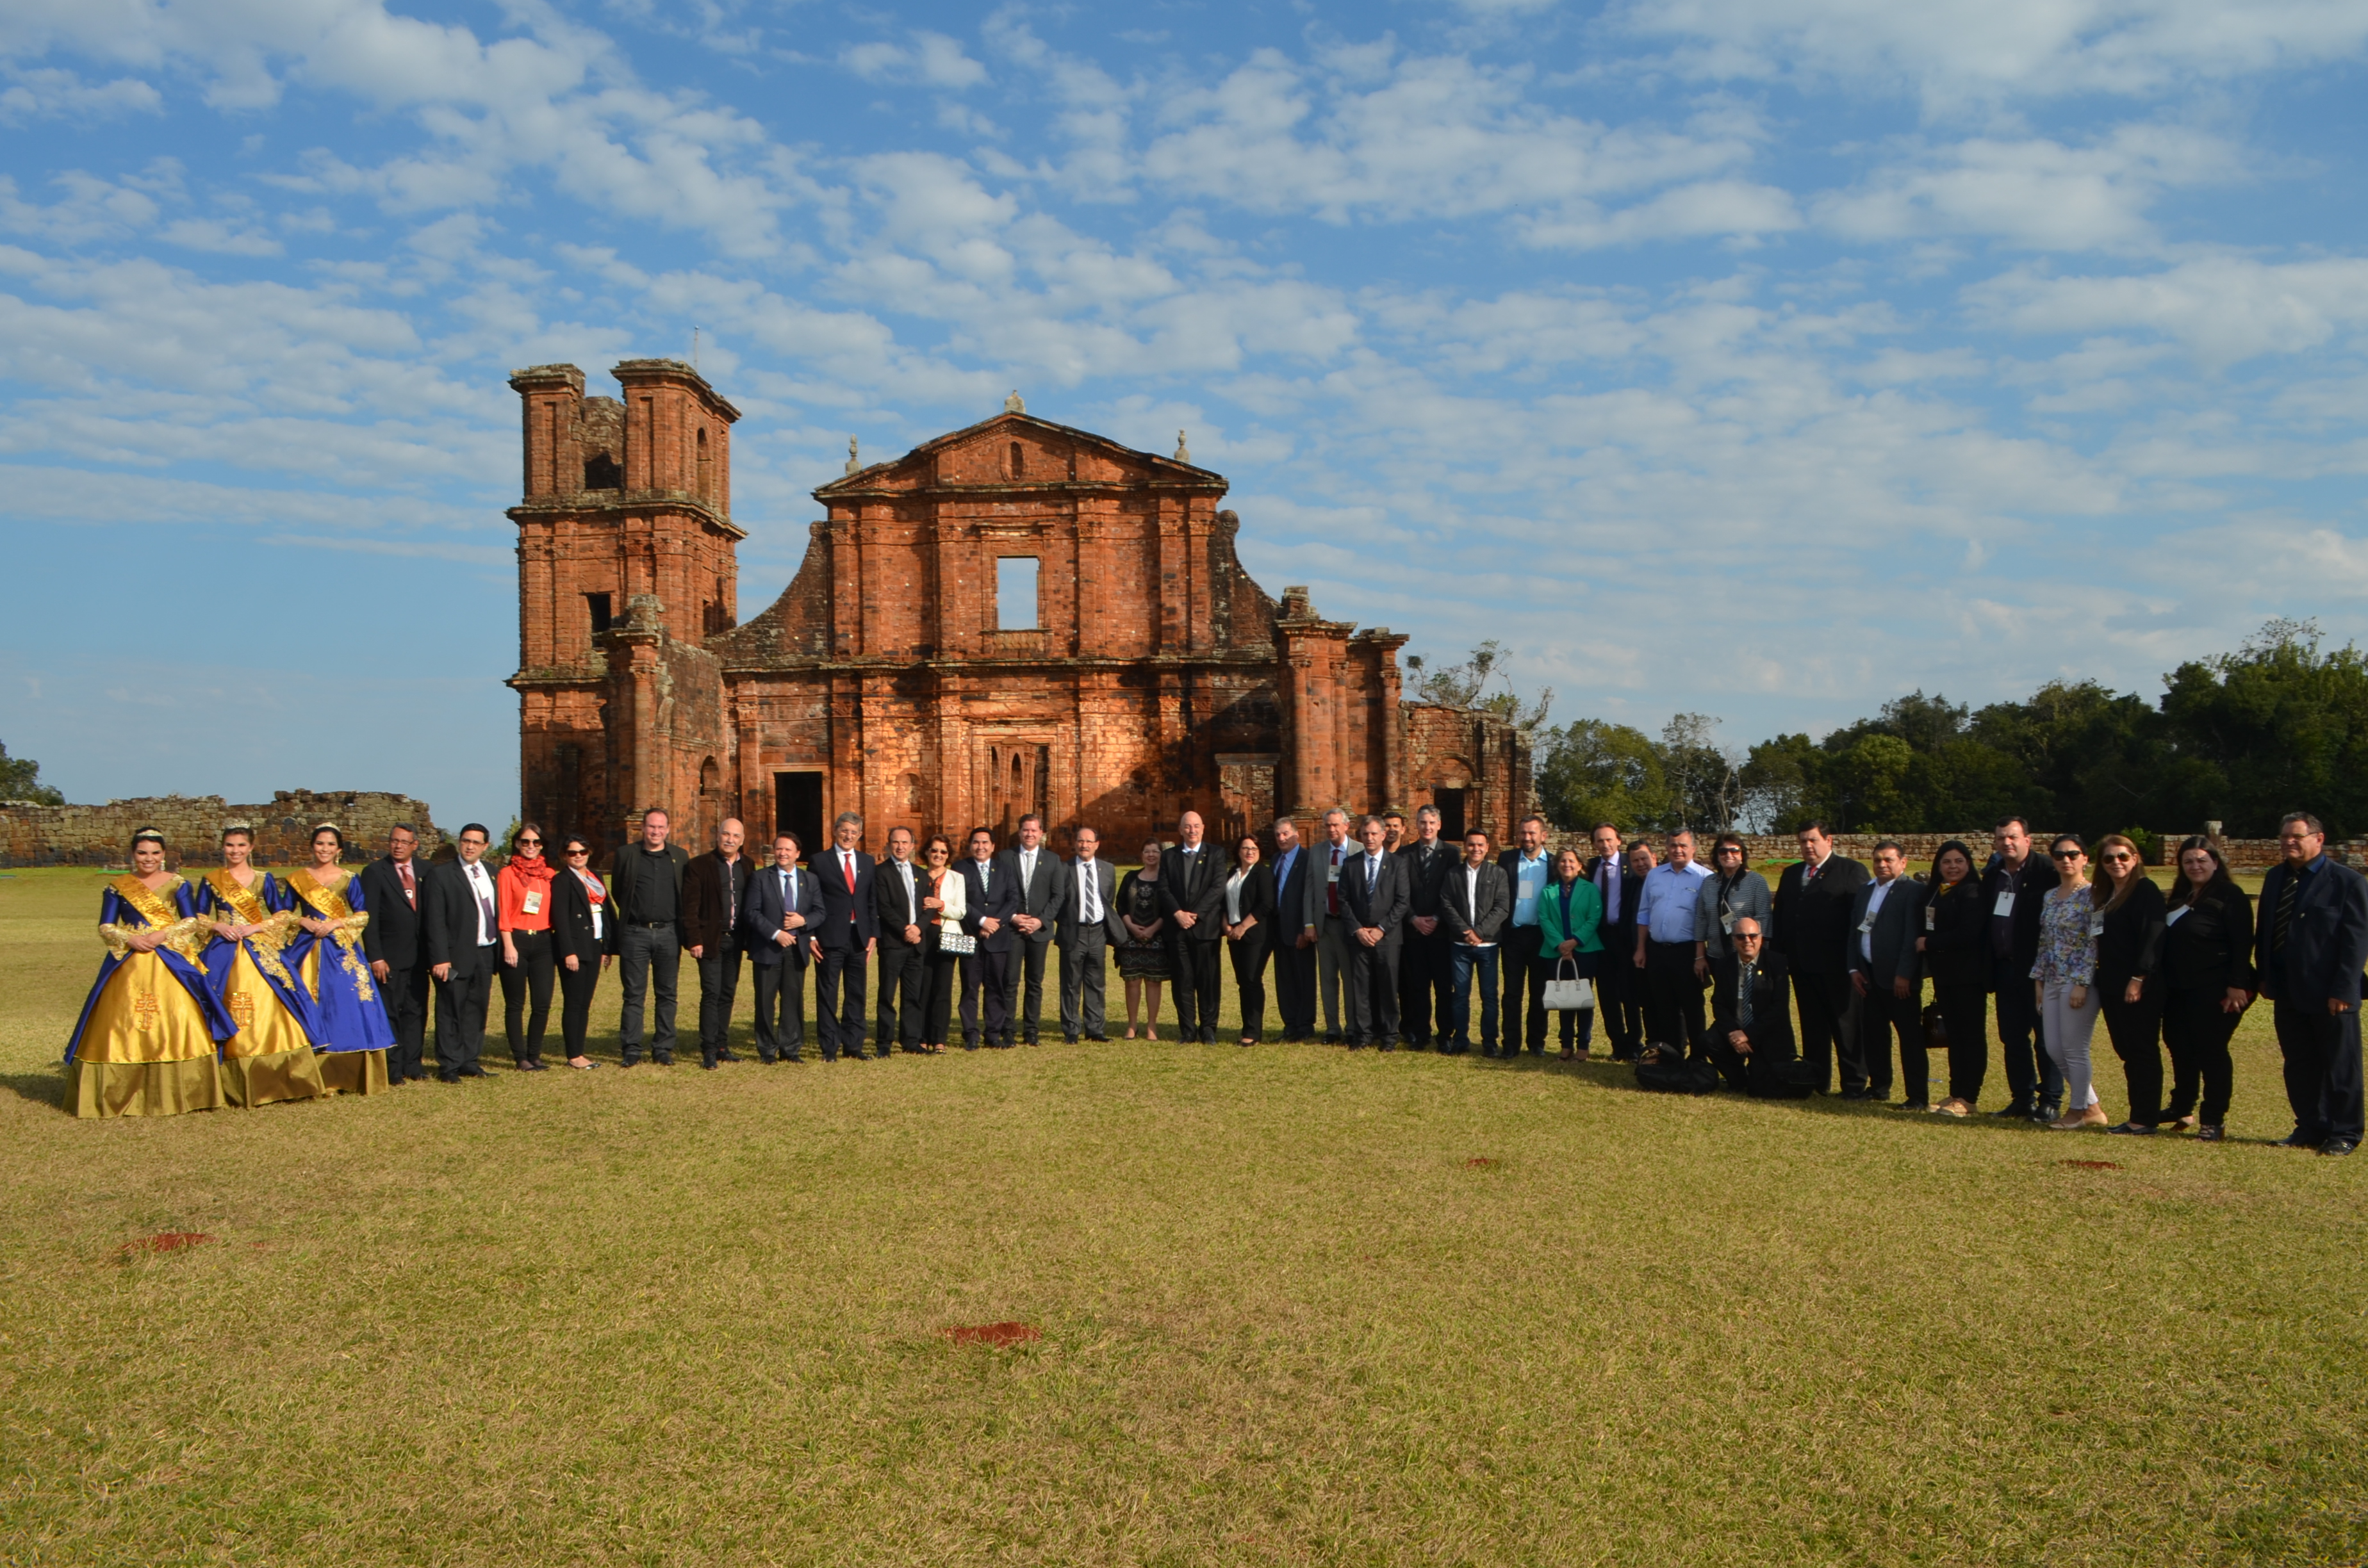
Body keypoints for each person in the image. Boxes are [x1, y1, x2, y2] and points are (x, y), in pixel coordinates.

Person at [65, 827, 234, 1117]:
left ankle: (185, 1090)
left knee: (178, 1015)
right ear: (133, 854)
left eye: (155, 853)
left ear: (164, 854)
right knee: (120, 1020)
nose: (149, 858)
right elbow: (105, 926)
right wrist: (129, 938)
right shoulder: (117, 887)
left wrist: (162, 935)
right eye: (142, 853)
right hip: (129, 960)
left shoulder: (179, 884)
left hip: (169, 958)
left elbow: (191, 921)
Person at [2251, 812, 2368, 1156]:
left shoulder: (2347, 882)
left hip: (2331, 992)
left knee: (2340, 1065)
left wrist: (2344, 989)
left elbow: (2356, 942)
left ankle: (2345, 1132)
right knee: (2299, 1063)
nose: (2289, 842)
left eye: (2297, 836)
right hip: (2287, 988)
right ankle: (2311, 1126)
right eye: (2284, 836)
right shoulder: (2276, 877)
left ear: (2319, 839)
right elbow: (2266, 930)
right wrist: (2264, 976)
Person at [195, 823, 325, 1107]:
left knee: (277, 999)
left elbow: (281, 915)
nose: (235, 851)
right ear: (223, 847)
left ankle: (279, 1074)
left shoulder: (263, 879)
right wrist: (218, 926)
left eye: (241, 846)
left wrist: (254, 928)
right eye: (230, 845)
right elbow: (197, 917)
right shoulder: (211, 879)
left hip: (257, 946)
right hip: (222, 948)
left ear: (251, 848)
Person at [283, 824, 395, 1095]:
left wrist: (336, 923)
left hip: (341, 950)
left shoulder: (348, 878)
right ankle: (306, 1073)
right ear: (312, 847)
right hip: (305, 947)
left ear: (339, 850)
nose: (325, 849)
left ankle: (347, 1072)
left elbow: (362, 914)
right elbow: (282, 914)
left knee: (344, 1004)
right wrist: (305, 922)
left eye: (331, 845)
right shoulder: (297, 878)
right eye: (320, 844)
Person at [2160, 835, 2253, 1141]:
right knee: (2179, 1045)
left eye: (2201, 860)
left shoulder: (2230, 895)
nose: (2195, 866)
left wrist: (2237, 985)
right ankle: (2181, 1107)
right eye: (2188, 861)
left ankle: (2213, 1118)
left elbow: (2243, 942)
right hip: (2179, 988)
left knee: (2210, 1050)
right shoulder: (2181, 895)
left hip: (2217, 988)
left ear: (2215, 862)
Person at [1771, 822, 1870, 1095]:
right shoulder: (1791, 874)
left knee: (1846, 1026)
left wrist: (1855, 963)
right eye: (1803, 841)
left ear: (1829, 840)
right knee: (1813, 1026)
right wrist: (1779, 959)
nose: (1808, 846)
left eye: (1813, 840)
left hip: (1839, 967)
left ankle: (1854, 1084)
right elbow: (1780, 919)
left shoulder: (1850, 870)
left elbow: (1859, 921)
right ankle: (1816, 1081)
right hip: (1802, 965)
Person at [1981, 816, 2060, 1122]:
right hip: (2005, 969)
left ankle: (2050, 1101)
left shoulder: (2047, 872)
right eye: (2001, 838)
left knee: (2045, 1038)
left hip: (2039, 971)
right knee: (2013, 1038)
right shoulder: (1994, 875)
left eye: (2013, 837)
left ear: (2028, 839)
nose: (2007, 843)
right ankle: (2022, 1099)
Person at [2091, 834, 2169, 1134]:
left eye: (2123, 856)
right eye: (2109, 858)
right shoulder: (2106, 895)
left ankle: (2144, 1119)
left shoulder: (2144, 890)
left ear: (2135, 859)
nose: (2117, 863)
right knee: (2126, 1050)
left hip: (2138, 985)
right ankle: (2139, 1113)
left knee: (2141, 1050)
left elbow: (2153, 938)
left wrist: (2138, 979)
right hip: (2111, 984)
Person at [2034, 835, 2109, 1130]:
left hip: (2078, 980)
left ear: (2085, 859)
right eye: (2059, 855)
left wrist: (2082, 982)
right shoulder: (2050, 896)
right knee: (2054, 1048)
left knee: (2075, 1049)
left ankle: (2078, 1110)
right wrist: (2038, 979)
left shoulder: (2095, 895)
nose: (2066, 860)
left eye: (2073, 854)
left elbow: (2095, 942)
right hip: (2052, 978)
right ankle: (2092, 1107)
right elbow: (2045, 940)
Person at [1846, 840, 1928, 1108]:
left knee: (1910, 1039)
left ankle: (1917, 1096)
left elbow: (1911, 935)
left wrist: (1905, 974)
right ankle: (1879, 1087)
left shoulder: (1913, 891)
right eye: (1877, 860)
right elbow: (1855, 930)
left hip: (1899, 980)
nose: (1882, 865)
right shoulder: (1866, 889)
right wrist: (1854, 968)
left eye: (1888, 860)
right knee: (1874, 1036)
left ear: (1903, 862)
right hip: (1869, 976)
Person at [608, 807, 689, 1067]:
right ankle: (632, 1049)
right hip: (635, 933)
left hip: (669, 933)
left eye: (661, 827)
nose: (656, 831)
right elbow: (619, 891)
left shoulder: (680, 856)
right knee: (634, 994)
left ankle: (663, 1048)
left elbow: (683, 893)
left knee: (667, 994)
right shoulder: (626, 854)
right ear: (643, 828)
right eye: (651, 826)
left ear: (668, 829)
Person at [425, 822, 502, 1081]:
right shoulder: (442, 874)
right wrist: (440, 958)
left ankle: (470, 1060)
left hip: (486, 951)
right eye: (466, 841)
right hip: (454, 954)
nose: (470, 846)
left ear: (485, 846)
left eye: (476, 842)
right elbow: (434, 920)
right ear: (460, 842)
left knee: (477, 1008)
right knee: (450, 1009)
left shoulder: (492, 872)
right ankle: (449, 1065)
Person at [1697, 916, 1805, 1098]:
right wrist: (1734, 1033)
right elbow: (1719, 1003)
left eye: (1753, 936)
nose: (1747, 941)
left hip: (1766, 1033)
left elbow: (1779, 1007)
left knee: (1759, 1090)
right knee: (1708, 1040)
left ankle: (1754, 1076)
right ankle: (1738, 1080)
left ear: (1761, 938)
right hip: (1736, 1029)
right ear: (1734, 940)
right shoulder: (1724, 964)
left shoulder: (1777, 963)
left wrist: (1748, 1035)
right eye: (1741, 937)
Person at [1919, 840, 1990, 1116]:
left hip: (1968, 976)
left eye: (1959, 861)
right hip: (1945, 975)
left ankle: (1969, 1097)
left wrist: (1929, 943)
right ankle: (1956, 1092)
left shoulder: (1973, 892)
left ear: (1968, 864)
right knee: (1955, 1036)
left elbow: (1968, 934)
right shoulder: (1937, 892)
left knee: (1971, 1035)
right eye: (1947, 862)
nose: (1953, 867)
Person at [359, 822, 431, 1083]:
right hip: (389, 958)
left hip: (420, 957)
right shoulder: (374, 872)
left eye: (404, 842)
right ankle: (393, 1068)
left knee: (416, 1011)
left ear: (415, 845)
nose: (398, 846)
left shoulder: (427, 870)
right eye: (394, 841)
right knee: (390, 1012)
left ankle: (413, 1064)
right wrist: (376, 957)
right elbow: (369, 920)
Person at [1632, 828, 1711, 1054]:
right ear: (1666, 848)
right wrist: (1641, 948)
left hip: (1687, 952)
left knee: (1692, 1008)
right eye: (1673, 845)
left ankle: (1698, 1060)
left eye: (1683, 845)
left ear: (1693, 848)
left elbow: (1706, 919)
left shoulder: (1705, 878)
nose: (1678, 850)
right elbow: (1644, 914)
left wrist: (1700, 956)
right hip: (1657, 951)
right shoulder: (1655, 875)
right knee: (1664, 1008)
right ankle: (1671, 1058)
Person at [682, 817, 752, 1070]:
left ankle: (722, 1046)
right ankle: (709, 1049)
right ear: (718, 835)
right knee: (711, 993)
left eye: (735, 836)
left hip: (736, 940)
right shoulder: (699, 865)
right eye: (726, 834)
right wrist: (694, 939)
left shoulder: (748, 865)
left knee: (727, 993)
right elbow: (690, 906)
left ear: (742, 840)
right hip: (711, 940)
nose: (730, 840)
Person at [744, 831, 819, 1063]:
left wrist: (803, 921)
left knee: (793, 1000)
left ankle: (791, 1048)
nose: (783, 853)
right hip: (768, 948)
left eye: (788, 849)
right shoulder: (760, 878)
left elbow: (820, 912)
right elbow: (751, 912)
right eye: (779, 848)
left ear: (797, 854)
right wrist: (776, 934)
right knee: (765, 1001)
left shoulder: (810, 880)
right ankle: (767, 1050)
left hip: (797, 949)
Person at [1441, 829, 1513, 1056]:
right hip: (1460, 945)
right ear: (1465, 846)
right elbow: (1446, 904)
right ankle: (1461, 1040)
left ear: (1487, 847)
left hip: (1488, 945)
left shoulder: (1498, 873)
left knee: (1489, 996)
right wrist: (1465, 931)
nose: (1476, 849)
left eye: (1480, 845)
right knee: (1460, 995)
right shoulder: (1453, 874)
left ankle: (1489, 1042)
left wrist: (1479, 932)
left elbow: (1502, 907)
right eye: (1472, 844)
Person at [1159, 810, 1228, 1046]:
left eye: (1196, 826)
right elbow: (1163, 888)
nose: (1192, 830)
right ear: (1180, 830)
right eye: (1187, 826)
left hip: (1206, 930)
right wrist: (1178, 914)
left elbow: (1217, 888)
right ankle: (1188, 1030)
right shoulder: (1169, 856)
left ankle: (1208, 1029)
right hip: (1177, 929)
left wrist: (1195, 915)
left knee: (1208, 982)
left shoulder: (1216, 854)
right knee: (1182, 982)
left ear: (1203, 828)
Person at [1341, 814, 1410, 1049]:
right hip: (1359, 938)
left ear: (1383, 835)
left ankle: (1389, 1035)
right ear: (1360, 836)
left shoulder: (1398, 864)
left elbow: (1402, 901)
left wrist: (1381, 929)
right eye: (1365, 834)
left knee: (1388, 987)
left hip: (1387, 938)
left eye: (1373, 834)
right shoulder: (1350, 864)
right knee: (1361, 988)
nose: (1369, 838)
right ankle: (1363, 1034)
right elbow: (1343, 900)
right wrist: (1357, 929)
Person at [815, 812, 880, 1061]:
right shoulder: (820, 861)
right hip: (829, 937)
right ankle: (829, 1047)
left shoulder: (867, 861)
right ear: (835, 831)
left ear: (860, 835)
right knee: (828, 993)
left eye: (854, 832)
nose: (848, 836)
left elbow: (871, 900)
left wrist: (873, 933)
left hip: (859, 937)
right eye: (844, 830)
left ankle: (853, 1045)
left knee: (856, 993)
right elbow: (813, 900)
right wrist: (812, 936)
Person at [494, 822, 558, 1072]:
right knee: (516, 1003)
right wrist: (508, 945)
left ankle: (535, 1054)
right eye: (525, 842)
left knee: (542, 1003)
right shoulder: (507, 874)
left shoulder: (549, 875)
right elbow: (503, 912)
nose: (531, 846)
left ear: (542, 845)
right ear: (517, 844)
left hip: (543, 941)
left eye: (536, 842)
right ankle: (520, 1057)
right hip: (516, 939)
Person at [1396, 804, 1455, 1049]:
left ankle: (1445, 1036)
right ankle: (1421, 1034)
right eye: (1423, 822)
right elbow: (1400, 893)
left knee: (1444, 988)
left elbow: (1453, 891)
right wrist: (1413, 918)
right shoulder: (1404, 854)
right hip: (1414, 932)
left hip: (1441, 933)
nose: (1427, 827)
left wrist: (1438, 917)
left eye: (1431, 822)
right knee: (1417, 987)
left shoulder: (1451, 853)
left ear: (1439, 825)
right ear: (1416, 825)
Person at [1537, 844, 1603, 1059]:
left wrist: (1574, 942)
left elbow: (1594, 917)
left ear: (1580, 866)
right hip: (1556, 952)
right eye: (1563, 861)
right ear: (1557, 865)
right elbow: (1544, 918)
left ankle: (1583, 1045)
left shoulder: (1590, 889)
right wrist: (1561, 945)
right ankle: (1566, 1044)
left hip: (1585, 950)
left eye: (1571, 861)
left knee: (1582, 999)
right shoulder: (1548, 891)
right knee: (1564, 1000)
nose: (1567, 864)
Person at [1058, 826, 1122, 1043]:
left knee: (1096, 983)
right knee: (1071, 984)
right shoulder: (1064, 869)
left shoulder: (1107, 869)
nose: (1084, 845)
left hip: (1098, 932)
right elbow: (1058, 901)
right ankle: (1071, 1030)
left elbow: (1108, 899)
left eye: (1088, 841)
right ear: (1075, 843)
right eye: (1080, 841)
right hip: (1073, 932)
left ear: (1097, 844)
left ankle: (1095, 1029)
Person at [550, 833, 609, 1070]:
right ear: (564, 856)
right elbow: (560, 919)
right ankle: (573, 1055)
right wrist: (568, 952)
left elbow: (605, 913)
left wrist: (606, 947)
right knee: (574, 1002)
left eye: (582, 852)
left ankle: (579, 1051)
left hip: (594, 944)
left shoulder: (596, 877)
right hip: (575, 947)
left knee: (585, 1002)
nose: (578, 856)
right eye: (572, 853)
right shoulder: (562, 880)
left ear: (589, 853)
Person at [1497, 815, 1554, 1055]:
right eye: (1523, 833)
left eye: (1532, 833)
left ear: (1544, 836)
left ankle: (1537, 1042)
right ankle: (1511, 1043)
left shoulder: (1554, 863)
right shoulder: (1507, 859)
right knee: (1512, 993)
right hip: (1513, 936)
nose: (1527, 837)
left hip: (1542, 937)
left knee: (1539, 992)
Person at [958, 826, 1018, 1050]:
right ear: (970, 846)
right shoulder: (960, 868)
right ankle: (971, 1034)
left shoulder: (1004, 869)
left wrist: (994, 924)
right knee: (970, 987)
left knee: (995, 986)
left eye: (985, 842)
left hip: (998, 937)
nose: (980, 846)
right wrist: (982, 921)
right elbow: (960, 900)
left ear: (993, 846)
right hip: (970, 935)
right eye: (976, 842)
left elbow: (1013, 900)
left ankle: (993, 1034)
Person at [1591, 830, 1647, 1060]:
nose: (1605, 844)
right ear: (1594, 844)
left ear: (1618, 841)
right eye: (1600, 840)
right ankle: (1618, 1045)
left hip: (1625, 937)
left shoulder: (1631, 864)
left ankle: (1634, 1044)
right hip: (1599, 937)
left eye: (1609, 840)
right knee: (1607, 994)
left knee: (1629, 993)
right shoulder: (1591, 866)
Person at [1005, 814, 1061, 1046]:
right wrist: (1013, 917)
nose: (1029, 834)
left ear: (1041, 833)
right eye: (1025, 830)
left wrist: (1041, 921)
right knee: (1010, 982)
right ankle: (1008, 1030)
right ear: (1019, 832)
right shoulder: (1005, 858)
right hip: (1012, 929)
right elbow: (999, 893)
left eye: (1034, 830)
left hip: (1039, 931)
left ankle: (1031, 1031)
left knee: (1035, 982)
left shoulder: (1053, 860)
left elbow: (1058, 896)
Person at [872, 826, 928, 1055]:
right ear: (889, 845)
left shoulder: (921, 873)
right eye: (896, 842)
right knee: (887, 995)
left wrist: (918, 928)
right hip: (893, 943)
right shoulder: (881, 872)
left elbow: (928, 907)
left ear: (912, 846)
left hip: (916, 944)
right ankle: (884, 1043)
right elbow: (883, 907)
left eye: (905, 842)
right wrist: (906, 929)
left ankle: (911, 1041)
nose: (900, 847)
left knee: (912, 996)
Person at [1223, 834, 1277, 1046]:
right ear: (1238, 851)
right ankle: (1247, 1027)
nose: (1250, 852)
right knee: (1243, 982)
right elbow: (1223, 902)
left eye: (1254, 848)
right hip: (1233, 935)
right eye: (1245, 848)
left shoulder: (1263, 874)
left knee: (1252, 980)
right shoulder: (1232, 873)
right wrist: (1227, 927)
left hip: (1256, 935)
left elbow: (1266, 905)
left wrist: (1243, 927)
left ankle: (1253, 1032)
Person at [1270, 815, 1319, 1042]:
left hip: (1300, 931)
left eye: (1286, 833)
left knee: (1303, 979)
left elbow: (1312, 896)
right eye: (1278, 834)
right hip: (1279, 931)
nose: (1282, 838)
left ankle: (1305, 1025)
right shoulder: (1275, 859)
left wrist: (1305, 928)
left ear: (1297, 834)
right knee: (1285, 980)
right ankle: (1289, 1024)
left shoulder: (1308, 859)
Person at [1694, 834, 1772, 970]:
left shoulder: (1756, 882)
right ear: (1717, 856)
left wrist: (1756, 955)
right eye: (1723, 851)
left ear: (1742, 855)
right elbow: (1701, 919)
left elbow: (1764, 919)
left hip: (1747, 956)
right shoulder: (1709, 883)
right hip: (1716, 955)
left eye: (1734, 851)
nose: (1728, 855)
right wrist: (1700, 957)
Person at [1116, 840, 1169, 1040]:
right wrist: (1131, 926)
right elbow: (1120, 904)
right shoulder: (1131, 877)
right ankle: (1132, 1026)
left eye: (1155, 851)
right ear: (1142, 855)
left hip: (1157, 938)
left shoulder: (1166, 879)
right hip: (1131, 938)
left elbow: (1169, 907)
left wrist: (1153, 929)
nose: (1151, 855)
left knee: (1153, 982)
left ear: (1161, 855)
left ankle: (1152, 1027)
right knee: (1132, 981)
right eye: (1147, 851)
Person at [917, 835, 965, 1054]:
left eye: (943, 852)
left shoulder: (956, 878)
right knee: (923, 986)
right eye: (934, 850)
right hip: (922, 934)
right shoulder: (917, 875)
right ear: (927, 852)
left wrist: (941, 905)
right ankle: (921, 1037)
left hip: (946, 934)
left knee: (942, 988)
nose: (938, 855)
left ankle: (939, 1039)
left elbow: (961, 911)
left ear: (948, 855)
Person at [1313, 808, 1355, 1043]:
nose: (1331, 829)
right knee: (1328, 979)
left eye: (1336, 825)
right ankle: (1332, 1028)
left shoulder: (1358, 850)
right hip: (1325, 924)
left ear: (1346, 826)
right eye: (1328, 825)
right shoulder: (1317, 851)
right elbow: (1309, 889)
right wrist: (1309, 923)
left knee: (1350, 979)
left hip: (1349, 927)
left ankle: (1352, 1027)